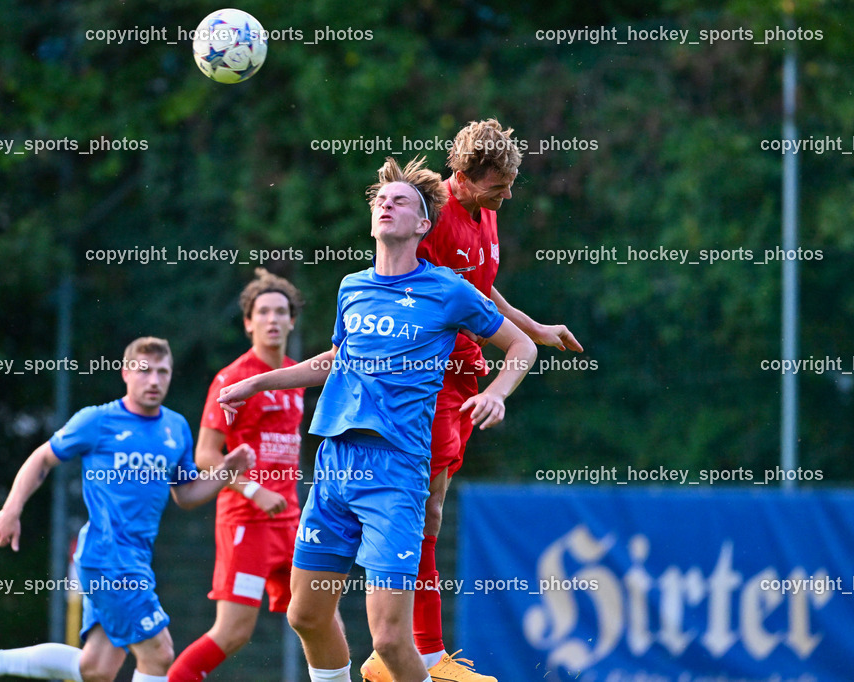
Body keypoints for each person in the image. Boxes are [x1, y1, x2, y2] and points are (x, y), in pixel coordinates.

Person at [217, 156, 538, 682]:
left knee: (389, 640)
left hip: (395, 474)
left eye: (401, 202)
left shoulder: (447, 290)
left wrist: (498, 393)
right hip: (335, 465)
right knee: (305, 615)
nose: (387, 205)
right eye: (381, 200)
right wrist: (257, 382)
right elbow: (336, 360)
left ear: (423, 224)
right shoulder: (352, 287)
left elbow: (521, 346)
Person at [360, 119, 583, 682]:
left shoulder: (485, 210)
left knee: (429, 508)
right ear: (462, 176)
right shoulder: (431, 217)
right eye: (497, 187)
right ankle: (422, 653)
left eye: (508, 185)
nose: (506, 196)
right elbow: (408, 287)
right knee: (423, 509)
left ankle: (405, 653)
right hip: (427, 379)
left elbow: (478, 286)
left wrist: (533, 328)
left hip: (464, 376)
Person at [0, 337, 255, 682]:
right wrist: (11, 509)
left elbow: (187, 494)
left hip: (135, 558)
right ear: (126, 373)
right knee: (159, 652)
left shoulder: (176, 428)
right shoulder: (98, 421)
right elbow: (42, 458)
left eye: (162, 372)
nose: (154, 380)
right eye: (144, 371)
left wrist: (226, 471)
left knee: (97, 668)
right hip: (108, 557)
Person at [166, 269, 306, 681]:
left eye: (280, 311)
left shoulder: (297, 376)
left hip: (291, 521)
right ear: (248, 323)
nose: (272, 319)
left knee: (318, 617)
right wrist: (253, 490)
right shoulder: (232, 378)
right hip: (246, 521)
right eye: (263, 312)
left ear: (292, 321)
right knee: (233, 633)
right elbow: (206, 455)